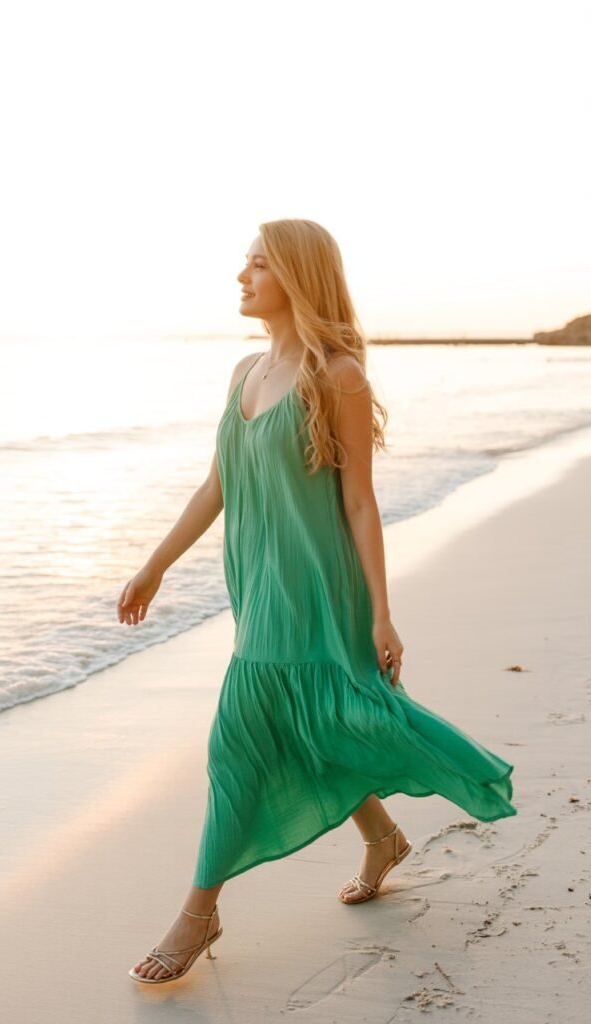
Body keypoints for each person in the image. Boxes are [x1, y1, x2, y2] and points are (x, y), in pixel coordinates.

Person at [118, 219, 517, 984]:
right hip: (260, 587)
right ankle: (384, 839)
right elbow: (218, 486)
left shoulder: (338, 377)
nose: (242, 275)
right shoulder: (243, 374)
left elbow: (361, 504)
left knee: (240, 741)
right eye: (245, 262)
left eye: (258, 264)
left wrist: (380, 612)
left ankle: (198, 914)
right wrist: (156, 565)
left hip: (318, 589)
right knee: (311, 724)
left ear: (296, 277)